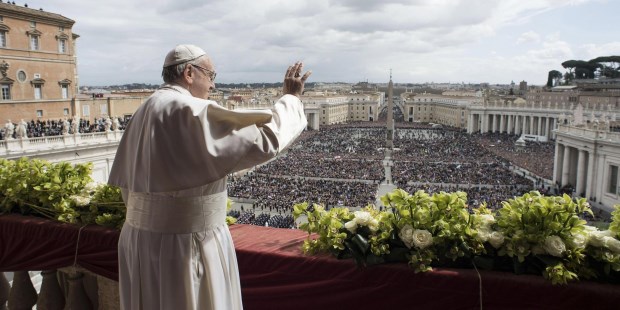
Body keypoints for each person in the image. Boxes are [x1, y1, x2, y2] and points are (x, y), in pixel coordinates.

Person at [108, 44, 311, 310]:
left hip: (138, 239)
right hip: (186, 243)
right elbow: (265, 140)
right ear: (189, 73)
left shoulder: (144, 109)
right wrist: (292, 98)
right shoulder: (188, 109)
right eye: (211, 76)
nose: (213, 86)